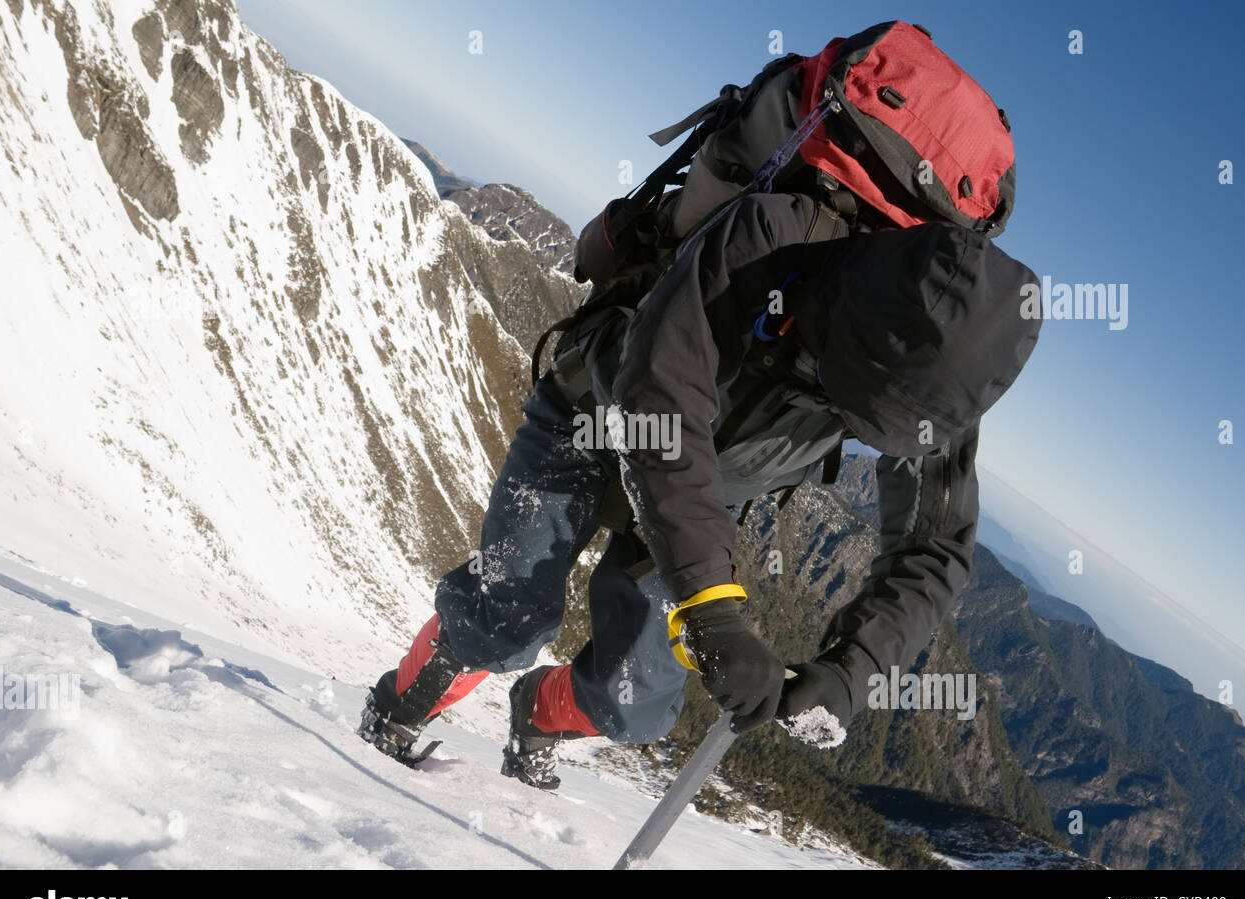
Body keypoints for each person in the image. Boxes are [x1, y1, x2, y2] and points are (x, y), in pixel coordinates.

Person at [357, 181, 1042, 789]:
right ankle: (395, 711)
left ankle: (535, 718)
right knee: (503, 615)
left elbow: (934, 549)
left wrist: (851, 671)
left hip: (707, 490)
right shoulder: (770, 240)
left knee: (638, 700)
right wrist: (709, 607)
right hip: (589, 420)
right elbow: (659, 395)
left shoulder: (937, 395)